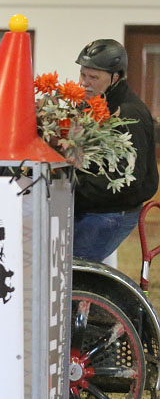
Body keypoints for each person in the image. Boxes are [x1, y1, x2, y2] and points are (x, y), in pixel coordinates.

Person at [72, 39, 158, 262]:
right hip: (95, 204)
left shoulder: (130, 114)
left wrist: (75, 189)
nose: (85, 83)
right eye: (83, 75)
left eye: (94, 77)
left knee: (70, 267)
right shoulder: (89, 104)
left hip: (113, 211)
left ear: (115, 78)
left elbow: (130, 178)